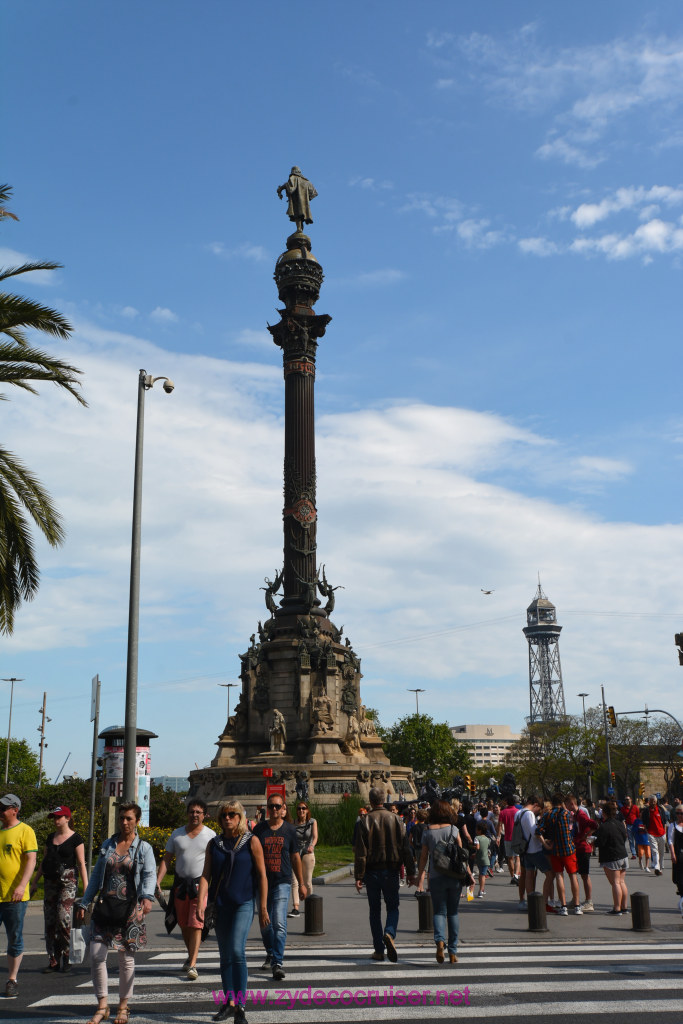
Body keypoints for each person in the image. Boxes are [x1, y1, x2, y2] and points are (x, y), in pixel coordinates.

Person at [77, 802, 156, 1024]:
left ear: (137, 821)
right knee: (96, 955)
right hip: (105, 907)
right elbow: (96, 877)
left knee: (126, 960)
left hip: (130, 910)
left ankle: (123, 1006)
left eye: (129, 818)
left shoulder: (144, 848)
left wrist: (147, 898)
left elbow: (149, 875)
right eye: (122, 818)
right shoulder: (108, 845)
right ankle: (102, 1005)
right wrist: (85, 902)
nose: (124, 822)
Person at [197, 800, 269, 1024]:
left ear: (239, 818)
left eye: (232, 814)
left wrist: (263, 907)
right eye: (224, 815)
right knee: (225, 955)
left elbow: (262, 875)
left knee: (237, 951)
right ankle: (228, 1002)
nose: (227, 818)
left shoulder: (251, 841)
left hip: (243, 904)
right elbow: (206, 875)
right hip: (220, 905)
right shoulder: (214, 844)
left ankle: (241, 1006)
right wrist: (201, 901)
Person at [354, 786, 416, 962]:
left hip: (372, 871)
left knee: (374, 911)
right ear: (384, 800)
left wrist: (359, 876)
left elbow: (360, 853)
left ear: (371, 801)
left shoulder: (364, 821)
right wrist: (411, 872)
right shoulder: (396, 819)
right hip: (392, 869)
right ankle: (389, 932)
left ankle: (379, 950)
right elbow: (406, 849)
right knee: (393, 907)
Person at [156, 798, 215, 980]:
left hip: (200, 885)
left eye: (198, 812)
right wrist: (158, 881)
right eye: (192, 811)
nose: (194, 815)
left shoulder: (211, 835)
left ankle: (193, 964)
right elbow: (167, 859)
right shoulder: (177, 834)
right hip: (180, 885)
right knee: (183, 923)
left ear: (205, 815)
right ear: (187, 813)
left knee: (196, 923)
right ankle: (191, 956)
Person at [253, 795, 306, 980]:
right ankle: (270, 952)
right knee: (265, 923)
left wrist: (301, 883)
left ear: (283, 807)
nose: (274, 809)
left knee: (279, 923)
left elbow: (295, 857)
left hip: (282, 881)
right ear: (267, 808)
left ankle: (277, 962)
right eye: (271, 806)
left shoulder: (290, 830)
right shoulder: (259, 830)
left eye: (277, 806)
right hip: (262, 882)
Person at [30, 805, 87, 973]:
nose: (56, 820)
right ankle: (53, 959)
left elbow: (81, 864)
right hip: (50, 882)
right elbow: (44, 862)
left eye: (59, 817)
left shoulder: (76, 839)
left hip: (68, 882)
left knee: (63, 917)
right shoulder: (50, 838)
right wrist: (35, 882)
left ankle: (67, 953)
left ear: (67, 818)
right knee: (49, 921)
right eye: (54, 818)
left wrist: (87, 888)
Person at [416, 800, 473, 963]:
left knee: (439, 912)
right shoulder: (454, 830)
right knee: (453, 912)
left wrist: (419, 875)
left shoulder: (427, 831)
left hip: (436, 875)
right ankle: (453, 951)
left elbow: (423, 857)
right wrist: (469, 874)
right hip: (454, 875)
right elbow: (462, 855)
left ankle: (440, 942)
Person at [0, 793, 38, 998]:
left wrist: (22, 885)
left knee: (14, 938)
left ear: (15, 810)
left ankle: (12, 979)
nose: (1, 811)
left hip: (14, 897)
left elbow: (31, 860)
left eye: (4, 808)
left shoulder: (25, 831)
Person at [538, 792, 582, 916]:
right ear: (562, 802)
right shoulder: (568, 814)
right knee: (573, 876)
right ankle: (577, 905)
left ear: (552, 802)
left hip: (555, 850)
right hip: (569, 849)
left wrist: (546, 844)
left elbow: (538, 831)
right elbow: (573, 830)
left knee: (559, 876)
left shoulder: (547, 815)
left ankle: (563, 906)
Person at [595, 801, 629, 914]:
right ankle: (624, 907)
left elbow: (600, 842)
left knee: (615, 883)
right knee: (621, 882)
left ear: (604, 813)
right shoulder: (619, 823)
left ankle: (617, 907)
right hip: (623, 854)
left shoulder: (604, 826)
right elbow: (624, 837)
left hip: (612, 856)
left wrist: (592, 842)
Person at [565, 793, 597, 911]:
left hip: (583, 848)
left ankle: (589, 901)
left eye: (567, 805)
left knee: (584, 875)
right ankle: (576, 899)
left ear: (572, 804)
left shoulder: (582, 815)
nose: (566, 807)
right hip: (577, 847)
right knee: (576, 875)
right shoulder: (575, 815)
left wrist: (586, 835)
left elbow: (595, 825)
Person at [289, 801, 317, 918]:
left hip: (307, 853)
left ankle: (311, 904)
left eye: (303, 808)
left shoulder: (312, 822)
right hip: (295, 853)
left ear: (307, 810)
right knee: (294, 880)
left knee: (307, 881)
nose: (301, 810)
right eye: (299, 809)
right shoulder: (293, 823)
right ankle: (296, 907)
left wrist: (312, 846)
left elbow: (315, 836)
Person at [498, 794, 521, 884]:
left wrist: (498, 836)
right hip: (517, 837)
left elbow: (500, 825)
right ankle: (516, 875)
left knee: (510, 858)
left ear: (507, 802)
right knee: (517, 857)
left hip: (507, 837)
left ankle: (512, 876)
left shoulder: (503, 812)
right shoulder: (518, 811)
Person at [642, 795, 667, 876]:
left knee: (661, 852)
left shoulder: (660, 809)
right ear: (649, 802)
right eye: (651, 801)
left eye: (654, 801)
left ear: (656, 802)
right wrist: (647, 830)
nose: (652, 803)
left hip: (661, 833)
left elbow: (664, 821)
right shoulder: (646, 811)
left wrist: (665, 832)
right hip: (651, 833)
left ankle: (660, 867)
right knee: (655, 851)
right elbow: (644, 822)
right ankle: (657, 867)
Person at [669, 804, 683, 898]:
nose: (679, 815)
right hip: (678, 853)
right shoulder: (672, 825)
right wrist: (673, 854)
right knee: (679, 875)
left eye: (681, 813)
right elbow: (670, 841)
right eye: (677, 813)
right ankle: (681, 890)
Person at [474, 822, 491, 897]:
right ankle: (482, 890)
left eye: (477, 829)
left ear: (480, 830)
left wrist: (472, 846)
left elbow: (477, 847)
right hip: (486, 859)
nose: (476, 830)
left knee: (481, 875)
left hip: (479, 859)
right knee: (482, 875)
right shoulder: (487, 839)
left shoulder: (477, 838)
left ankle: (481, 890)